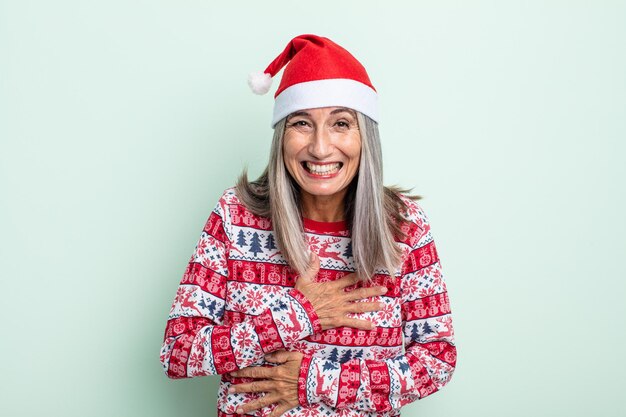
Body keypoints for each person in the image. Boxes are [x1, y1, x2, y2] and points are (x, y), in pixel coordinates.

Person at [159, 34, 456, 417]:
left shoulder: (405, 227)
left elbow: (437, 360)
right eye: (302, 123)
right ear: (282, 136)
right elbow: (177, 353)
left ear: (365, 137)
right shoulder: (235, 216)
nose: (319, 147)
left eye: (341, 124)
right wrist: (297, 314)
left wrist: (316, 380)